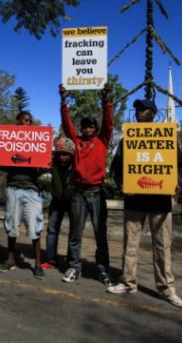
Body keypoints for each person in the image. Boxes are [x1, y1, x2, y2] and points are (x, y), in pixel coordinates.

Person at [107, 98, 182, 309]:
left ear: (153, 113)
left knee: (163, 247)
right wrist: (121, 184)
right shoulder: (128, 139)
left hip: (161, 203)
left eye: (143, 109)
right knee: (130, 245)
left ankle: (166, 290)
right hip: (134, 200)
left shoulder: (166, 137)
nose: (138, 112)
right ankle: (127, 282)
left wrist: (178, 183)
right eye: (136, 109)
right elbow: (116, 168)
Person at [59, 83, 113, 286]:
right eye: (85, 126)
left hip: (97, 193)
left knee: (101, 235)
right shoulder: (77, 141)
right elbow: (67, 124)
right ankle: (74, 267)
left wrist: (106, 100)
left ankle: (103, 270)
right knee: (75, 233)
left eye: (91, 126)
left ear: (96, 129)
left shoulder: (103, 140)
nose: (87, 129)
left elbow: (109, 123)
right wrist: (64, 100)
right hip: (79, 193)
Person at [0, 111, 45, 279]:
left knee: (35, 227)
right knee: (11, 225)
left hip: (32, 191)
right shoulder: (10, 140)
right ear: (18, 122)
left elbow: (42, 168)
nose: (29, 123)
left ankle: (38, 264)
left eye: (31, 121)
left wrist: (46, 164)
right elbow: (2, 164)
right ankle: (10, 260)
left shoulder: (37, 141)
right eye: (26, 120)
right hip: (13, 188)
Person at [41, 137, 75, 271]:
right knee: (52, 230)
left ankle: (71, 262)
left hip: (73, 200)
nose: (62, 157)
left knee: (74, 233)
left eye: (66, 154)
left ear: (72, 154)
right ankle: (51, 260)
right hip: (56, 199)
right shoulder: (52, 162)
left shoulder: (77, 164)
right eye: (60, 154)